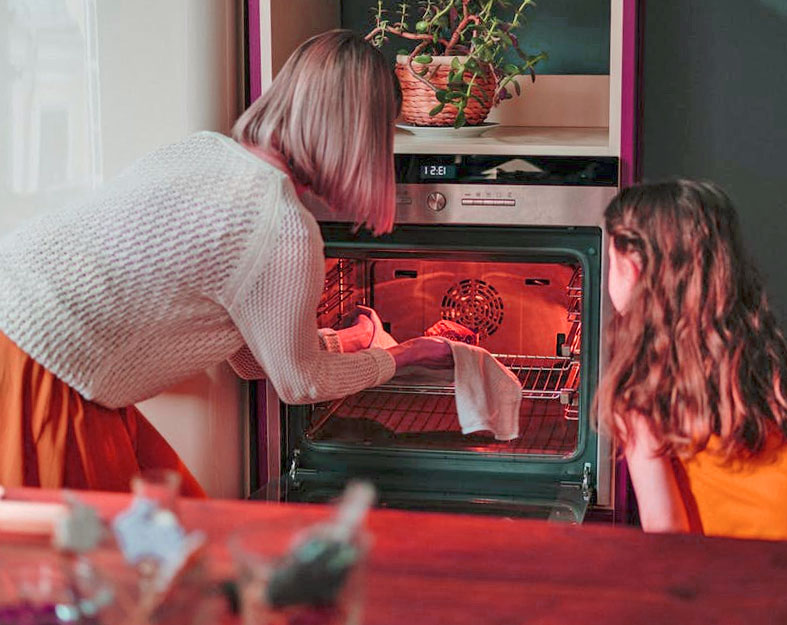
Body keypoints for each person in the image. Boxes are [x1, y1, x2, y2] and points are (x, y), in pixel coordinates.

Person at [0, 29, 451, 497]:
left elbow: (249, 357)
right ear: (360, 137)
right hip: (46, 378)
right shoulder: (283, 226)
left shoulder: (203, 151)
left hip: (26, 344)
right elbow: (300, 383)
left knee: (173, 529)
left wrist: (350, 340)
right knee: (106, 558)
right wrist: (407, 354)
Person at [595, 179, 787, 621]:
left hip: (762, 601)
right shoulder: (758, 355)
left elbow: (668, 540)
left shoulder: (643, 392)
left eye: (611, 257)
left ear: (633, 268)